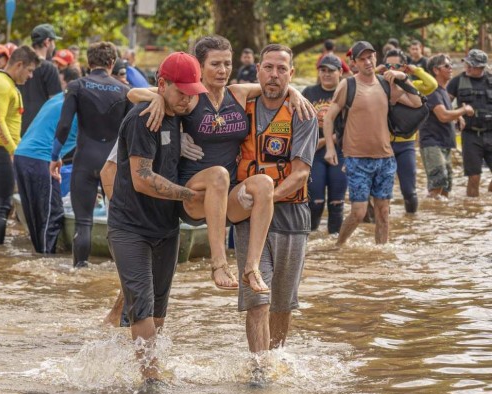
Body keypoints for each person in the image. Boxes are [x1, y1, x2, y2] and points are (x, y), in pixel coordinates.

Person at [128, 35, 315, 293]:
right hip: (194, 196)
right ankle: (218, 263)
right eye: (215, 64)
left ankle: (251, 268)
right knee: (217, 175)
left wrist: (294, 92)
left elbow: (274, 82)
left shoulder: (238, 93)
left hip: (227, 200)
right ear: (200, 67)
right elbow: (131, 92)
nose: (223, 70)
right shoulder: (192, 98)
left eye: (227, 64)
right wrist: (158, 98)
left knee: (263, 183)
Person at [108, 51, 207, 383]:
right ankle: (151, 380)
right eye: (181, 92)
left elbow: (238, 90)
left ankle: (146, 366)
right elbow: (142, 178)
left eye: (193, 92)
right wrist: (190, 196)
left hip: (166, 227)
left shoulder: (182, 112)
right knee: (142, 305)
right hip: (129, 227)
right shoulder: (142, 118)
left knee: (159, 309)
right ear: (162, 84)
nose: (188, 99)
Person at [234, 44, 318, 369]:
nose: (274, 75)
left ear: (291, 73)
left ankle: (275, 359)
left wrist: (266, 198)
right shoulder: (242, 104)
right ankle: (259, 371)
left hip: (291, 217)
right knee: (258, 300)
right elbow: (215, 91)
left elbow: (300, 174)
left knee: (282, 303)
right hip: (249, 216)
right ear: (257, 70)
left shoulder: (303, 113)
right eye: (268, 67)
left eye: (282, 69)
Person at [323, 41, 423, 245]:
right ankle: (338, 246)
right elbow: (329, 117)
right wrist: (330, 149)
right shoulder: (347, 85)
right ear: (354, 63)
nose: (368, 62)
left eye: (371, 57)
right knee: (358, 213)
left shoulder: (387, 84)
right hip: (357, 159)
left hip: (385, 158)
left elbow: (417, 102)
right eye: (362, 59)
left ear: (376, 57)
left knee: (383, 212)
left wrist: (403, 78)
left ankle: (380, 255)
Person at [49, 42, 132, 267]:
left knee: (83, 223)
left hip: (85, 160)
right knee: (118, 223)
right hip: (112, 164)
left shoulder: (77, 86)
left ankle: (80, 272)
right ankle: (122, 271)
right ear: (112, 63)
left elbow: (64, 125)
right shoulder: (125, 90)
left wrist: (55, 156)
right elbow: (131, 132)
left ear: (88, 62)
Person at [14, 67, 81, 254]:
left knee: (36, 216)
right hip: (40, 159)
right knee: (52, 215)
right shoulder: (76, 107)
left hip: (22, 155)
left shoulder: (56, 100)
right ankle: (46, 263)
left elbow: (48, 130)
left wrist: (57, 158)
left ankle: (39, 258)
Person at [0, 46, 41, 244]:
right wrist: (14, 151)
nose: (30, 76)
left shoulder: (2, 81)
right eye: (30, 70)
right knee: (3, 204)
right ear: (19, 65)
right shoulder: (1, 85)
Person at [379, 48, 438, 213]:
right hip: (383, 144)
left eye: (396, 65)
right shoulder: (377, 84)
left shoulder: (411, 84)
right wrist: (377, 70)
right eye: (388, 65)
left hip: (406, 145)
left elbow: (432, 85)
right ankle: (383, 227)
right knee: (382, 193)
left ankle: (411, 222)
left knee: (409, 191)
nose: (391, 69)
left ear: (404, 66)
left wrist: (413, 71)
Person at [302, 54, 347, 234]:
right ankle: (310, 237)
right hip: (314, 153)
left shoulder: (346, 91)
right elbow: (300, 123)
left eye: (331, 71)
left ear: (340, 72)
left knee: (337, 202)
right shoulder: (309, 92)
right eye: (323, 70)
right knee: (316, 201)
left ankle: (334, 243)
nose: (327, 74)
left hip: (341, 151)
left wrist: (326, 141)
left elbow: (352, 125)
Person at [419, 54, 474, 199]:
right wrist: (464, 110)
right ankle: (428, 216)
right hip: (432, 143)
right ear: (436, 70)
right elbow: (443, 116)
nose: (451, 69)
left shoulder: (443, 91)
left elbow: (447, 112)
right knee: (437, 184)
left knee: (446, 187)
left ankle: (439, 218)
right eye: (447, 66)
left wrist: (458, 117)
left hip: (445, 144)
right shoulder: (432, 91)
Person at [447, 49, 492, 197]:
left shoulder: (490, 80)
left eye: (472, 65)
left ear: (482, 67)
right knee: (474, 177)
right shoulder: (458, 81)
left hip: (490, 133)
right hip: (470, 135)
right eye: (467, 64)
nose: (468, 67)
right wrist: (457, 115)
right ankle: (472, 210)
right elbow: (444, 103)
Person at [19, 24, 62, 135]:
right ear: (47, 42)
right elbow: (56, 103)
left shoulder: (19, 66)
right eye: (53, 42)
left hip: (17, 126)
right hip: (39, 130)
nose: (54, 46)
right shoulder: (49, 68)